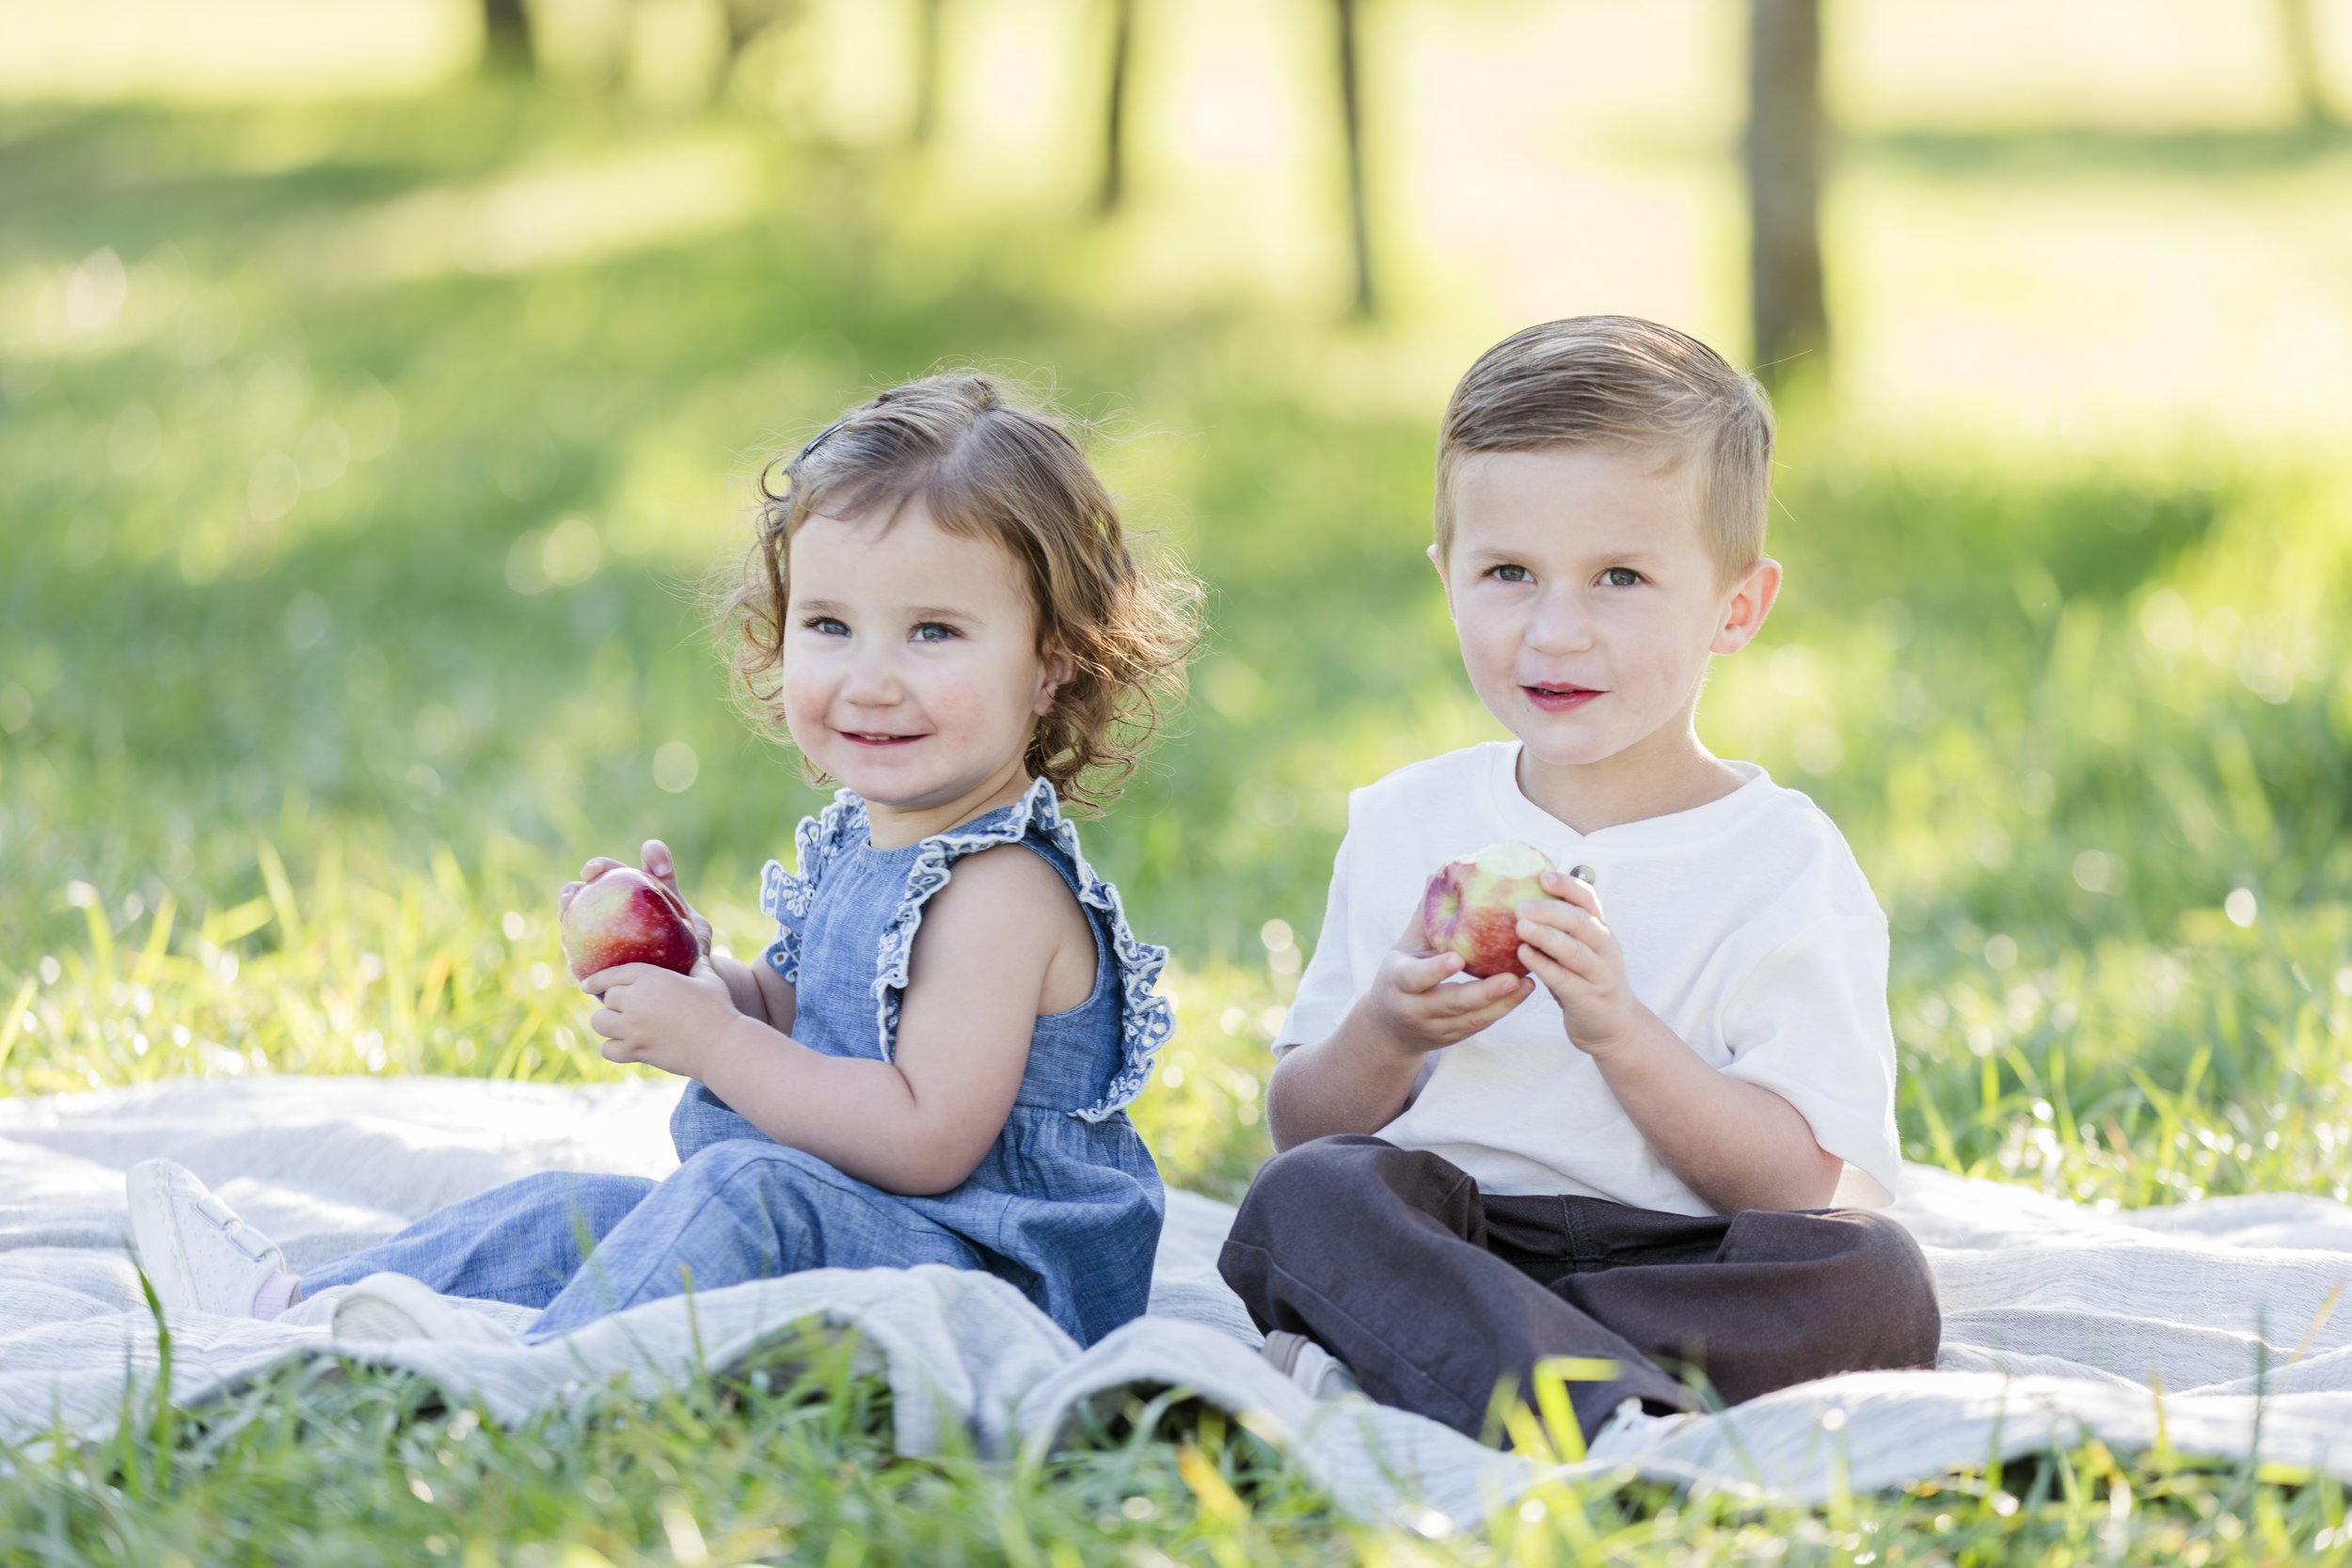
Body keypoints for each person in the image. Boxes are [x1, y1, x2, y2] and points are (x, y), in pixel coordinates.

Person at [127, 372, 1198, 1349]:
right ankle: (300, 1314)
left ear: (1052, 663)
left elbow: (924, 1139)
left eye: (932, 633)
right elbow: (811, 1015)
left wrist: (715, 1044)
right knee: (581, 1208)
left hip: (992, 1284)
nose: (869, 679)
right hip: (871, 1229)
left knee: (740, 1197)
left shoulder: (1000, 891)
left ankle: (537, 1364)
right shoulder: (874, 835)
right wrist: (707, 979)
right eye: (829, 624)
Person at [1217, 317, 1941, 1447]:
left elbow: (1798, 1182)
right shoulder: (1406, 820)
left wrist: (1620, 1033)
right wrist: (1389, 1029)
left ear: (1736, 606)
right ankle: (1596, 1398)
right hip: (1454, 1233)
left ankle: (1510, 1373)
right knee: (1300, 1208)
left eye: (1620, 577)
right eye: (1508, 572)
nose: (1556, 631)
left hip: (1682, 1259)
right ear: (1445, 579)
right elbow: (1303, 1130)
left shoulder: (1783, 861)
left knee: (1871, 1279)